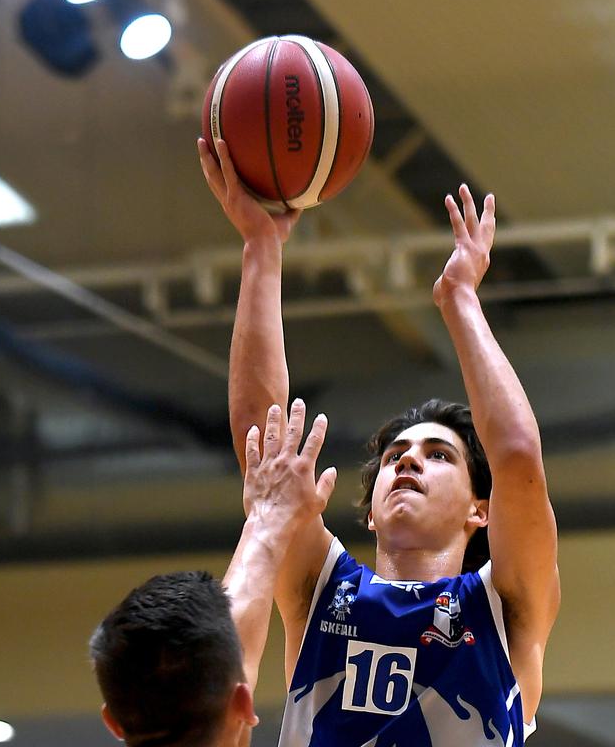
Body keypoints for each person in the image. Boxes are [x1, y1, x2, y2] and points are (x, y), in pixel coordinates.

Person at [198, 137, 560, 746]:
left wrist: (460, 297)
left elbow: (519, 457)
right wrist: (261, 248)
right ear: (367, 511)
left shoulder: (507, 606)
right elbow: (261, 440)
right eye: (396, 456)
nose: (410, 459)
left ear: (481, 510)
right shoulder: (323, 592)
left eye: (438, 455)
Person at [90, 401, 337, 747]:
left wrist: (266, 522)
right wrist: (267, 518)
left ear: (113, 721)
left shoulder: (226, 694)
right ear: (243, 704)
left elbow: (234, 637)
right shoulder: (224, 684)